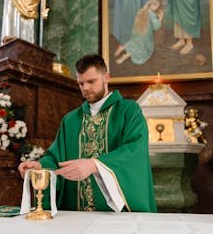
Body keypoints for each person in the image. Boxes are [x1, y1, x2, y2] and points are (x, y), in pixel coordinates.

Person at [18, 54, 157, 213]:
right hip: (75, 215)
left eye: (91, 82)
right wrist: (41, 166)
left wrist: (95, 165)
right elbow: (56, 158)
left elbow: (135, 151)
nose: (85, 88)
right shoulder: (70, 120)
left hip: (115, 216)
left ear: (106, 77)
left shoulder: (129, 111)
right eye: (81, 83)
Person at [115, 0, 163, 65]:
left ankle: (123, 47)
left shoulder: (141, 11)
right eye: (157, 7)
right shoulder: (152, 15)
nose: (157, 8)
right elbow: (156, 27)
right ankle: (124, 57)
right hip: (145, 35)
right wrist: (160, 18)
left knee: (134, 42)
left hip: (136, 32)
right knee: (139, 49)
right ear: (153, 6)